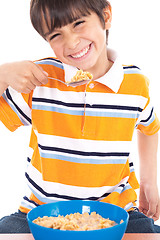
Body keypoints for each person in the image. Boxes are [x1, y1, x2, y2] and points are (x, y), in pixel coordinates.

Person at [0, 0, 160, 233]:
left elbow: (150, 127)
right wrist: (2, 75)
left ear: (106, 16)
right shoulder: (40, 80)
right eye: (56, 35)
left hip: (117, 213)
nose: (72, 42)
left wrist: (148, 181)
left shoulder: (134, 84)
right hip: (40, 213)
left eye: (79, 23)